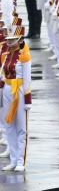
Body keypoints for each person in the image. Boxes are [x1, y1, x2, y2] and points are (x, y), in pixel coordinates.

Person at [0, 30, 31, 172]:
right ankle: (13, 159)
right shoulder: (6, 55)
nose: (9, 42)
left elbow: (27, 79)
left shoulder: (24, 56)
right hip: (7, 90)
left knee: (21, 128)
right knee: (9, 126)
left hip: (19, 91)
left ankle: (20, 161)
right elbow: (3, 74)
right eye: (8, 39)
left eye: (12, 39)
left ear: (20, 40)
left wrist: (27, 100)